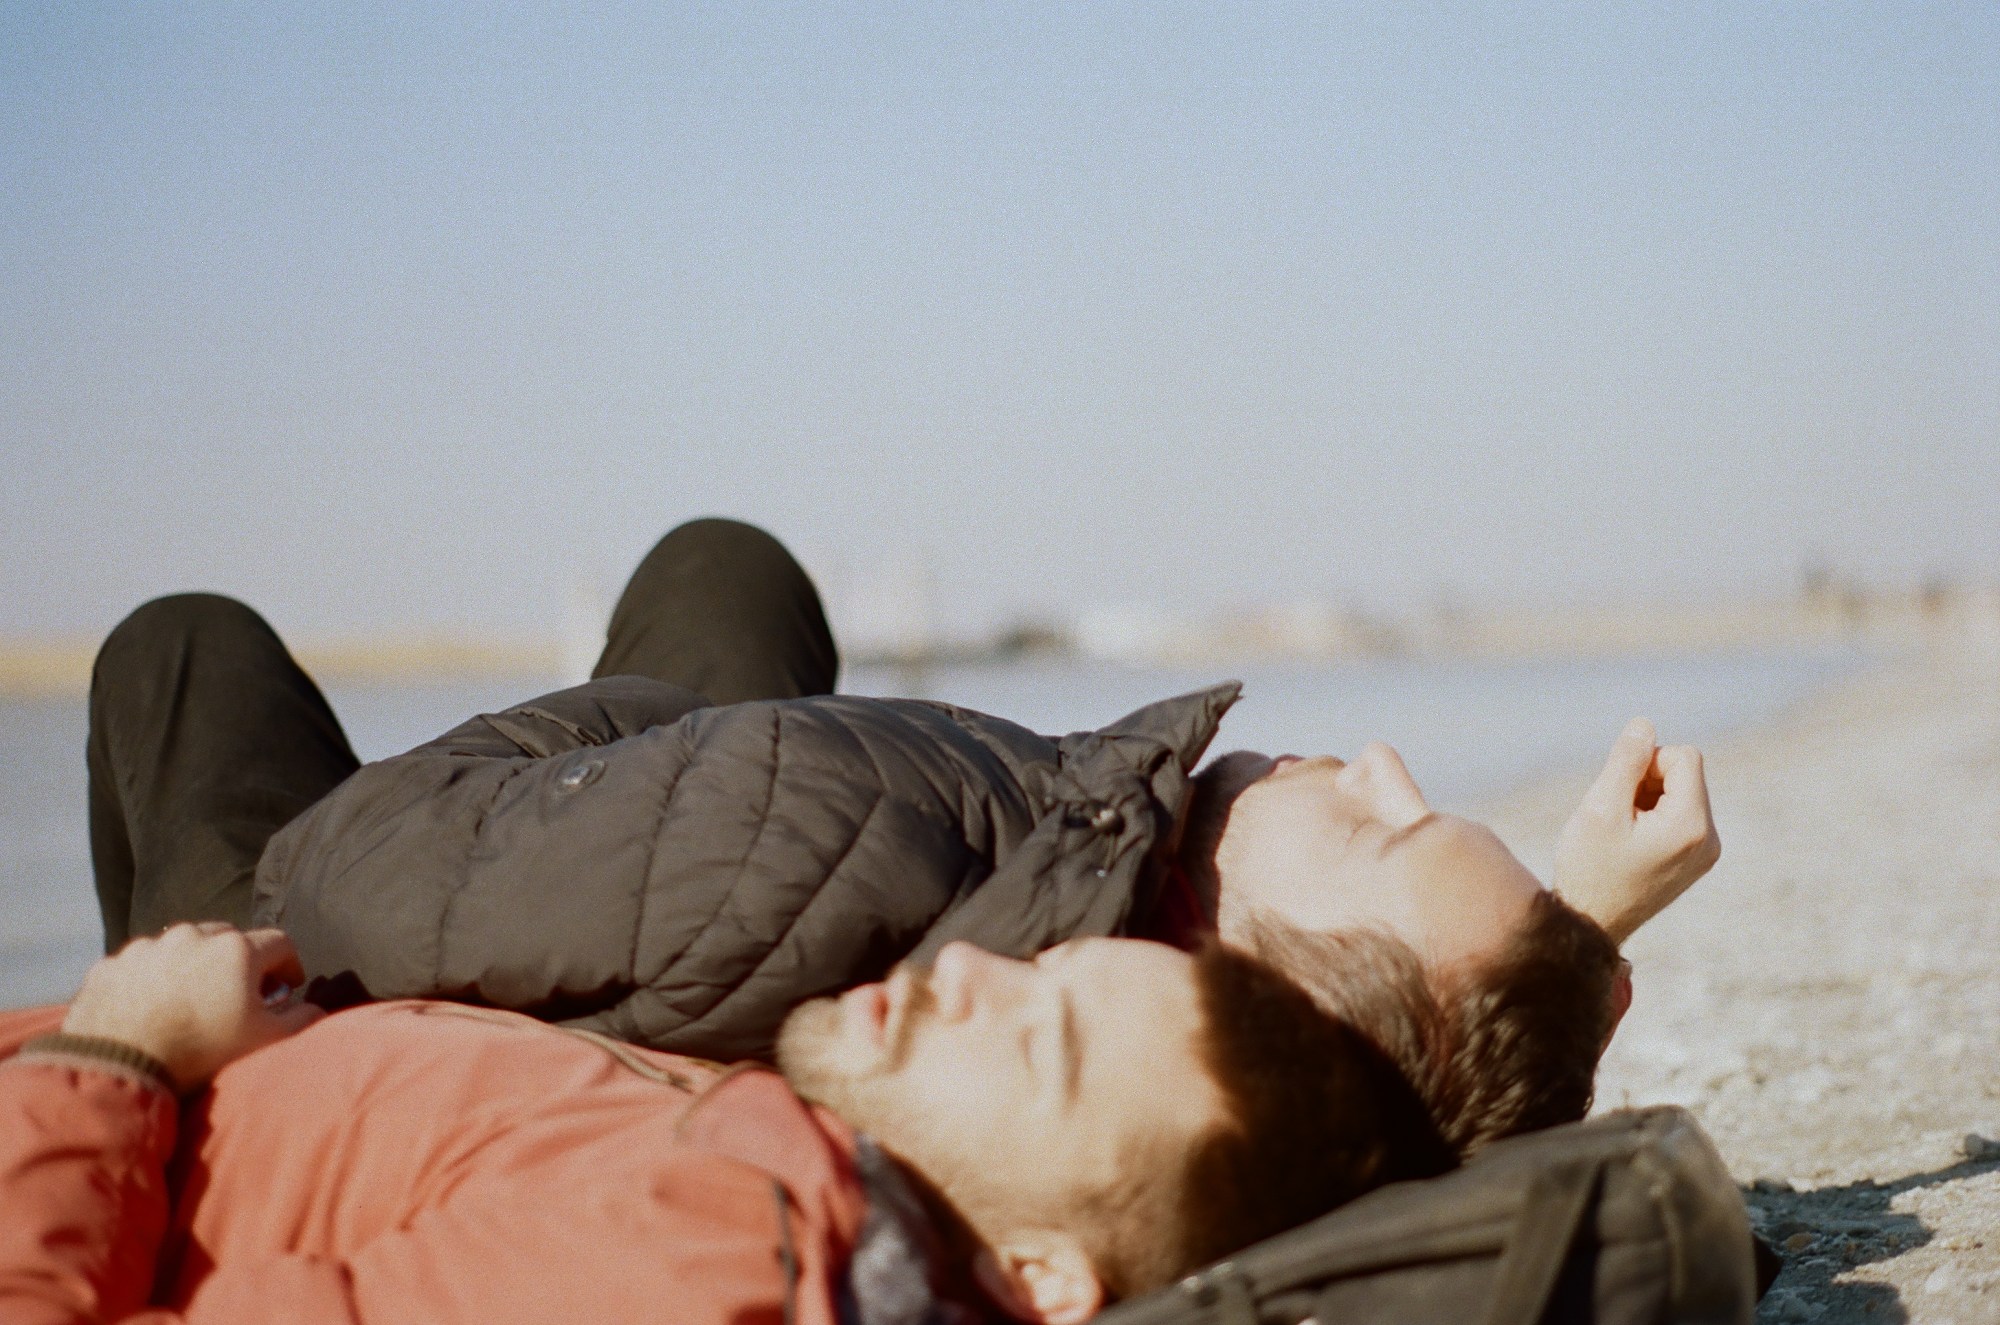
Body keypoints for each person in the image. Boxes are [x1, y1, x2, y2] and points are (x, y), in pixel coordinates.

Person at [83, 518, 1718, 1152]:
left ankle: (175, 1166)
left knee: (184, 645)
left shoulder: (850, 844)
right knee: (727, 569)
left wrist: (629, 743)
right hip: (755, 843)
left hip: (342, 957)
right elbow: (1412, 1081)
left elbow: (354, 852)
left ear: (1254, 987)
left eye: (1381, 826)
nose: (1376, 756)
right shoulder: (1183, 985)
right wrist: (1569, 926)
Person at [0, 921, 1453, 1324]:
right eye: (1041, 964)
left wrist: (119, 1044)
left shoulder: (719, 1272)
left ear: (1047, 1273)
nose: (964, 974)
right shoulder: (808, 1187)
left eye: (1039, 1042)